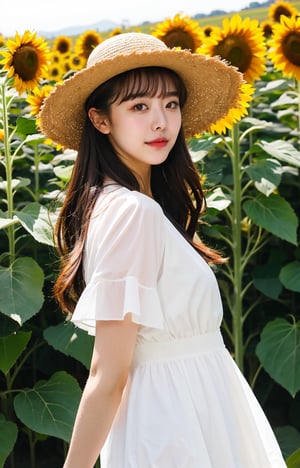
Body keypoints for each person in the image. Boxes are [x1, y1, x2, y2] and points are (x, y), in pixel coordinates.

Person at [40, 32, 287, 468]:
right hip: (174, 426)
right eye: (139, 107)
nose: (161, 121)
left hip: (191, 411)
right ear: (100, 120)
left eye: (170, 104)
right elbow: (107, 373)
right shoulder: (131, 212)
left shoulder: (123, 205)